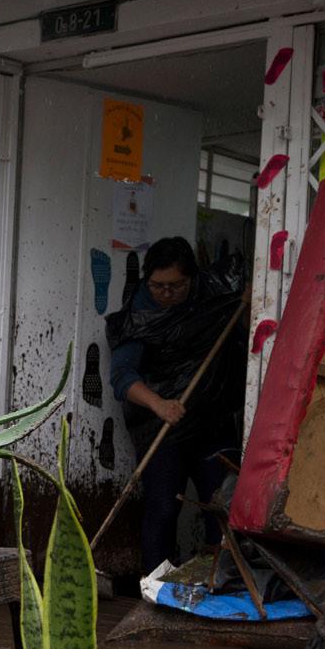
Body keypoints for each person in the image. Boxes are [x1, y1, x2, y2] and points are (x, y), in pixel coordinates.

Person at [107, 235, 245, 574]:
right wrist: (159, 404)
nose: (166, 293)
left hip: (213, 423)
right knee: (163, 508)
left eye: (176, 286)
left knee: (222, 508)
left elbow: (245, 283)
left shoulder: (213, 292)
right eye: (158, 286)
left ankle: (220, 580)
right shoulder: (139, 314)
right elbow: (122, 377)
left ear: (192, 279)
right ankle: (155, 583)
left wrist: (251, 299)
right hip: (162, 427)